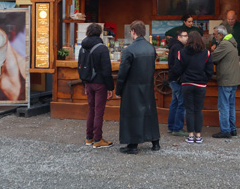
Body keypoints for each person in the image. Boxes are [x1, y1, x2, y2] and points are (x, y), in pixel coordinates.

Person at [115, 20, 160, 155]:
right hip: (148, 85)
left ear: (133, 32)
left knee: (132, 115)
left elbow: (122, 72)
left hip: (132, 87)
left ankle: (132, 145)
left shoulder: (129, 50)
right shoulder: (151, 48)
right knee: (150, 113)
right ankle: (155, 142)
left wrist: (118, 89)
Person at [172, 31, 214, 144]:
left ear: (188, 39)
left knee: (189, 110)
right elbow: (210, 71)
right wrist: (204, 79)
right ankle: (198, 136)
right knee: (198, 110)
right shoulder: (207, 53)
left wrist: (182, 77)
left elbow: (177, 69)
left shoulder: (182, 52)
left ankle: (190, 135)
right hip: (200, 85)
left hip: (187, 84)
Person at [80, 23, 114, 148]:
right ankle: (98, 139)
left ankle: (89, 138)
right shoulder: (102, 48)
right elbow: (106, 70)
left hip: (88, 83)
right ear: (100, 33)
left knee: (91, 109)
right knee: (99, 111)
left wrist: (84, 83)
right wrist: (110, 87)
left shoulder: (83, 47)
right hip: (100, 84)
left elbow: (81, 66)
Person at [211, 25, 240, 139]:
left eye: (215, 34)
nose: (214, 36)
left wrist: (213, 51)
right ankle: (232, 129)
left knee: (224, 106)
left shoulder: (224, 44)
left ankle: (225, 131)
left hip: (226, 80)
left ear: (221, 35)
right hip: (233, 80)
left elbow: (213, 58)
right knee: (231, 105)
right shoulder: (232, 42)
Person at [167, 30, 189, 136]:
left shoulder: (175, 46)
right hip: (177, 79)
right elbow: (178, 64)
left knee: (175, 103)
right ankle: (177, 128)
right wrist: (181, 74)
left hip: (172, 78)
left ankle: (171, 126)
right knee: (181, 103)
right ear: (179, 37)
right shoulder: (178, 48)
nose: (187, 38)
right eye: (185, 36)